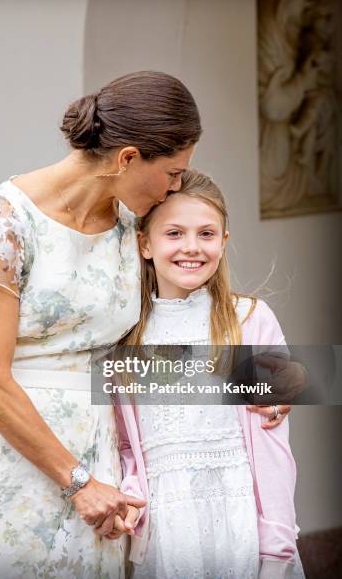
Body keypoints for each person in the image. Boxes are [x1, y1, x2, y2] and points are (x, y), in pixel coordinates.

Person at [0, 71, 289, 579]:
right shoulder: (0, 224)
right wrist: (78, 482)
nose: (175, 186)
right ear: (128, 158)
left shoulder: (135, 226)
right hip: (11, 449)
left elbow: (148, 350)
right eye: (173, 172)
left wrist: (274, 379)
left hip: (103, 448)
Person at [110, 170, 305, 578]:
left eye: (207, 233)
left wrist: (277, 550)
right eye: (175, 233)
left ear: (224, 242)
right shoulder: (124, 336)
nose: (192, 248)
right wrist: (131, 491)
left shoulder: (248, 321)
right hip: (167, 535)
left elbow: (273, 451)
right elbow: (125, 444)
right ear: (145, 243)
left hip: (243, 529)